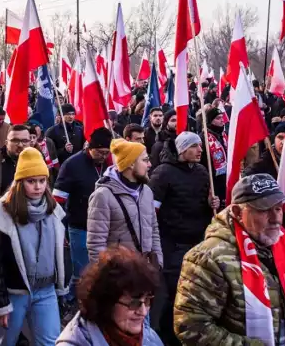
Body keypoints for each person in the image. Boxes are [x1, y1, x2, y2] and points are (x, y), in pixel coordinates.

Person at [174, 174, 285, 345]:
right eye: (264, 210)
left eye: (278, 208)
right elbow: (191, 327)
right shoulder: (207, 258)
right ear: (237, 212)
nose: (276, 219)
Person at [0, 147, 67, 346]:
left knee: (50, 343)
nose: (37, 187)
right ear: (20, 182)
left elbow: (59, 254)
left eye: (42, 180)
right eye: (31, 181)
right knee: (6, 342)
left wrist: (61, 288)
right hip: (14, 293)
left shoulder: (53, 210)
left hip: (46, 290)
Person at [148, 131, 219, 345]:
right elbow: (151, 212)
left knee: (196, 292)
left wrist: (212, 204)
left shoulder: (201, 171)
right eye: (194, 146)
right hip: (173, 244)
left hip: (198, 241)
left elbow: (204, 202)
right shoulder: (163, 174)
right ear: (182, 150)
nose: (200, 150)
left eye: (200, 146)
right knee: (174, 293)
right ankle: (169, 336)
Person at [53, 127, 112, 308]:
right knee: (82, 271)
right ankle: (68, 301)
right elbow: (58, 199)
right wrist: (59, 228)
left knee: (100, 271)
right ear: (90, 147)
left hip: (104, 226)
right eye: (100, 152)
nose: (103, 156)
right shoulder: (72, 165)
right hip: (79, 225)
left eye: (107, 153)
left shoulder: (110, 164)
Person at [56, 246, 163, 346]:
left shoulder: (148, 337)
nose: (143, 312)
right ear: (107, 302)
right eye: (134, 304)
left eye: (148, 301)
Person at [87, 138, 162, 267]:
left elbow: (154, 230)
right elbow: (96, 244)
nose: (149, 164)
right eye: (145, 160)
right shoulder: (103, 196)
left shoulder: (147, 192)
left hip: (145, 272)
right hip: (118, 276)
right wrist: (106, 277)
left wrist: (158, 263)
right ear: (131, 164)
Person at [199, 106, 228, 207]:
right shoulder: (203, 138)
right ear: (210, 121)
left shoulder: (223, 135)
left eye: (222, 117)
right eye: (218, 118)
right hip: (211, 183)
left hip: (224, 180)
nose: (222, 120)